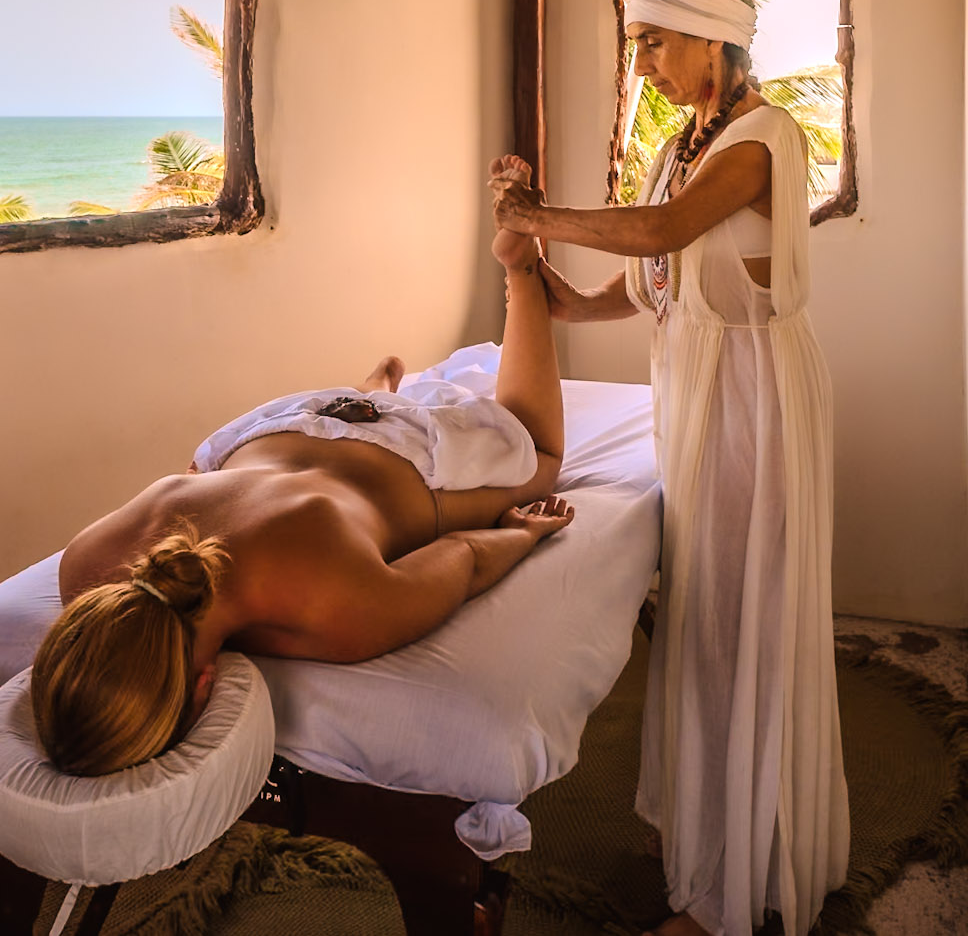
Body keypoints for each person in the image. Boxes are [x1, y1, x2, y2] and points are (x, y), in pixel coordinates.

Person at [488, 0, 848, 936]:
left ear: (710, 40)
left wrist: (539, 217)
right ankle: (708, 824)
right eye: (635, 42)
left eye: (653, 41)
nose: (640, 60)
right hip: (695, 392)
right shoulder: (683, 146)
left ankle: (731, 888)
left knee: (743, 622)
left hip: (751, 396)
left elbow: (658, 233)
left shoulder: (760, 139)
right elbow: (646, 286)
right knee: (701, 618)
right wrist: (541, 276)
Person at [31, 229, 573, 777]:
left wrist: (523, 532)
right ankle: (373, 394)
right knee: (250, 464)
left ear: (203, 687)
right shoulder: (83, 565)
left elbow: (465, 556)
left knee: (542, 457)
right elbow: (190, 482)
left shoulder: (333, 613)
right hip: (270, 428)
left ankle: (522, 274)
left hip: (402, 452)